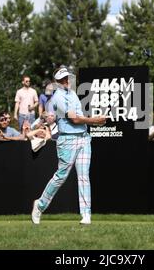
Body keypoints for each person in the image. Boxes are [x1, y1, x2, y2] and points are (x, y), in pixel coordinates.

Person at [31, 67, 107, 225]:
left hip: (84, 138)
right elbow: (74, 119)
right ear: (57, 82)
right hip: (67, 140)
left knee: (84, 176)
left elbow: (79, 119)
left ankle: (86, 215)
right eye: (63, 79)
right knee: (61, 177)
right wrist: (95, 121)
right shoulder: (57, 98)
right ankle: (40, 205)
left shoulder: (72, 94)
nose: (67, 81)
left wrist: (93, 122)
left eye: (67, 78)